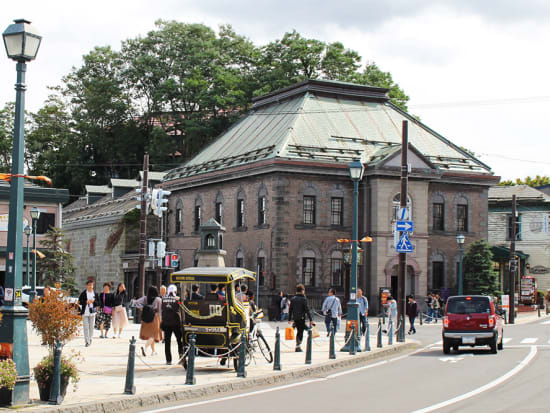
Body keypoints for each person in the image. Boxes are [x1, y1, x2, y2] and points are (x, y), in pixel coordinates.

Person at [160, 285, 183, 365]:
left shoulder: (163, 299)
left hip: (166, 323)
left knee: (167, 342)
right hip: (175, 323)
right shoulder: (177, 299)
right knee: (179, 341)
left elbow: (162, 309)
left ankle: (168, 360)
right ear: (175, 291)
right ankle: (181, 357)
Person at [136, 286, 162, 356]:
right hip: (155, 318)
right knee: (153, 335)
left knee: (150, 335)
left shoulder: (145, 298)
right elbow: (160, 311)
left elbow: (137, 302)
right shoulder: (158, 299)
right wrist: (161, 320)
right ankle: (145, 348)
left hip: (146, 317)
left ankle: (153, 351)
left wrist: (142, 308)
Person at [288, 284, 315, 352]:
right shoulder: (303, 299)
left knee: (299, 331)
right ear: (302, 290)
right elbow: (307, 310)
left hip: (295, 318)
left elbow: (290, 309)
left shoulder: (293, 299)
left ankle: (298, 345)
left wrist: (289, 319)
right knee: (300, 332)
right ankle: (298, 346)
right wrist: (311, 320)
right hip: (301, 318)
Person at [79, 280, 99, 347]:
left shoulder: (95, 293)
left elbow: (99, 302)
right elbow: (79, 301)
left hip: (92, 312)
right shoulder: (83, 293)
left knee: (91, 327)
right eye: (89, 285)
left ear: (93, 286)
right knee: (86, 327)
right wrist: (85, 302)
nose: (90, 286)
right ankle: (87, 341)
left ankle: (90, 339)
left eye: (92, 285)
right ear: (86, 286)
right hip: (85, 312)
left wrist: (93, 301)